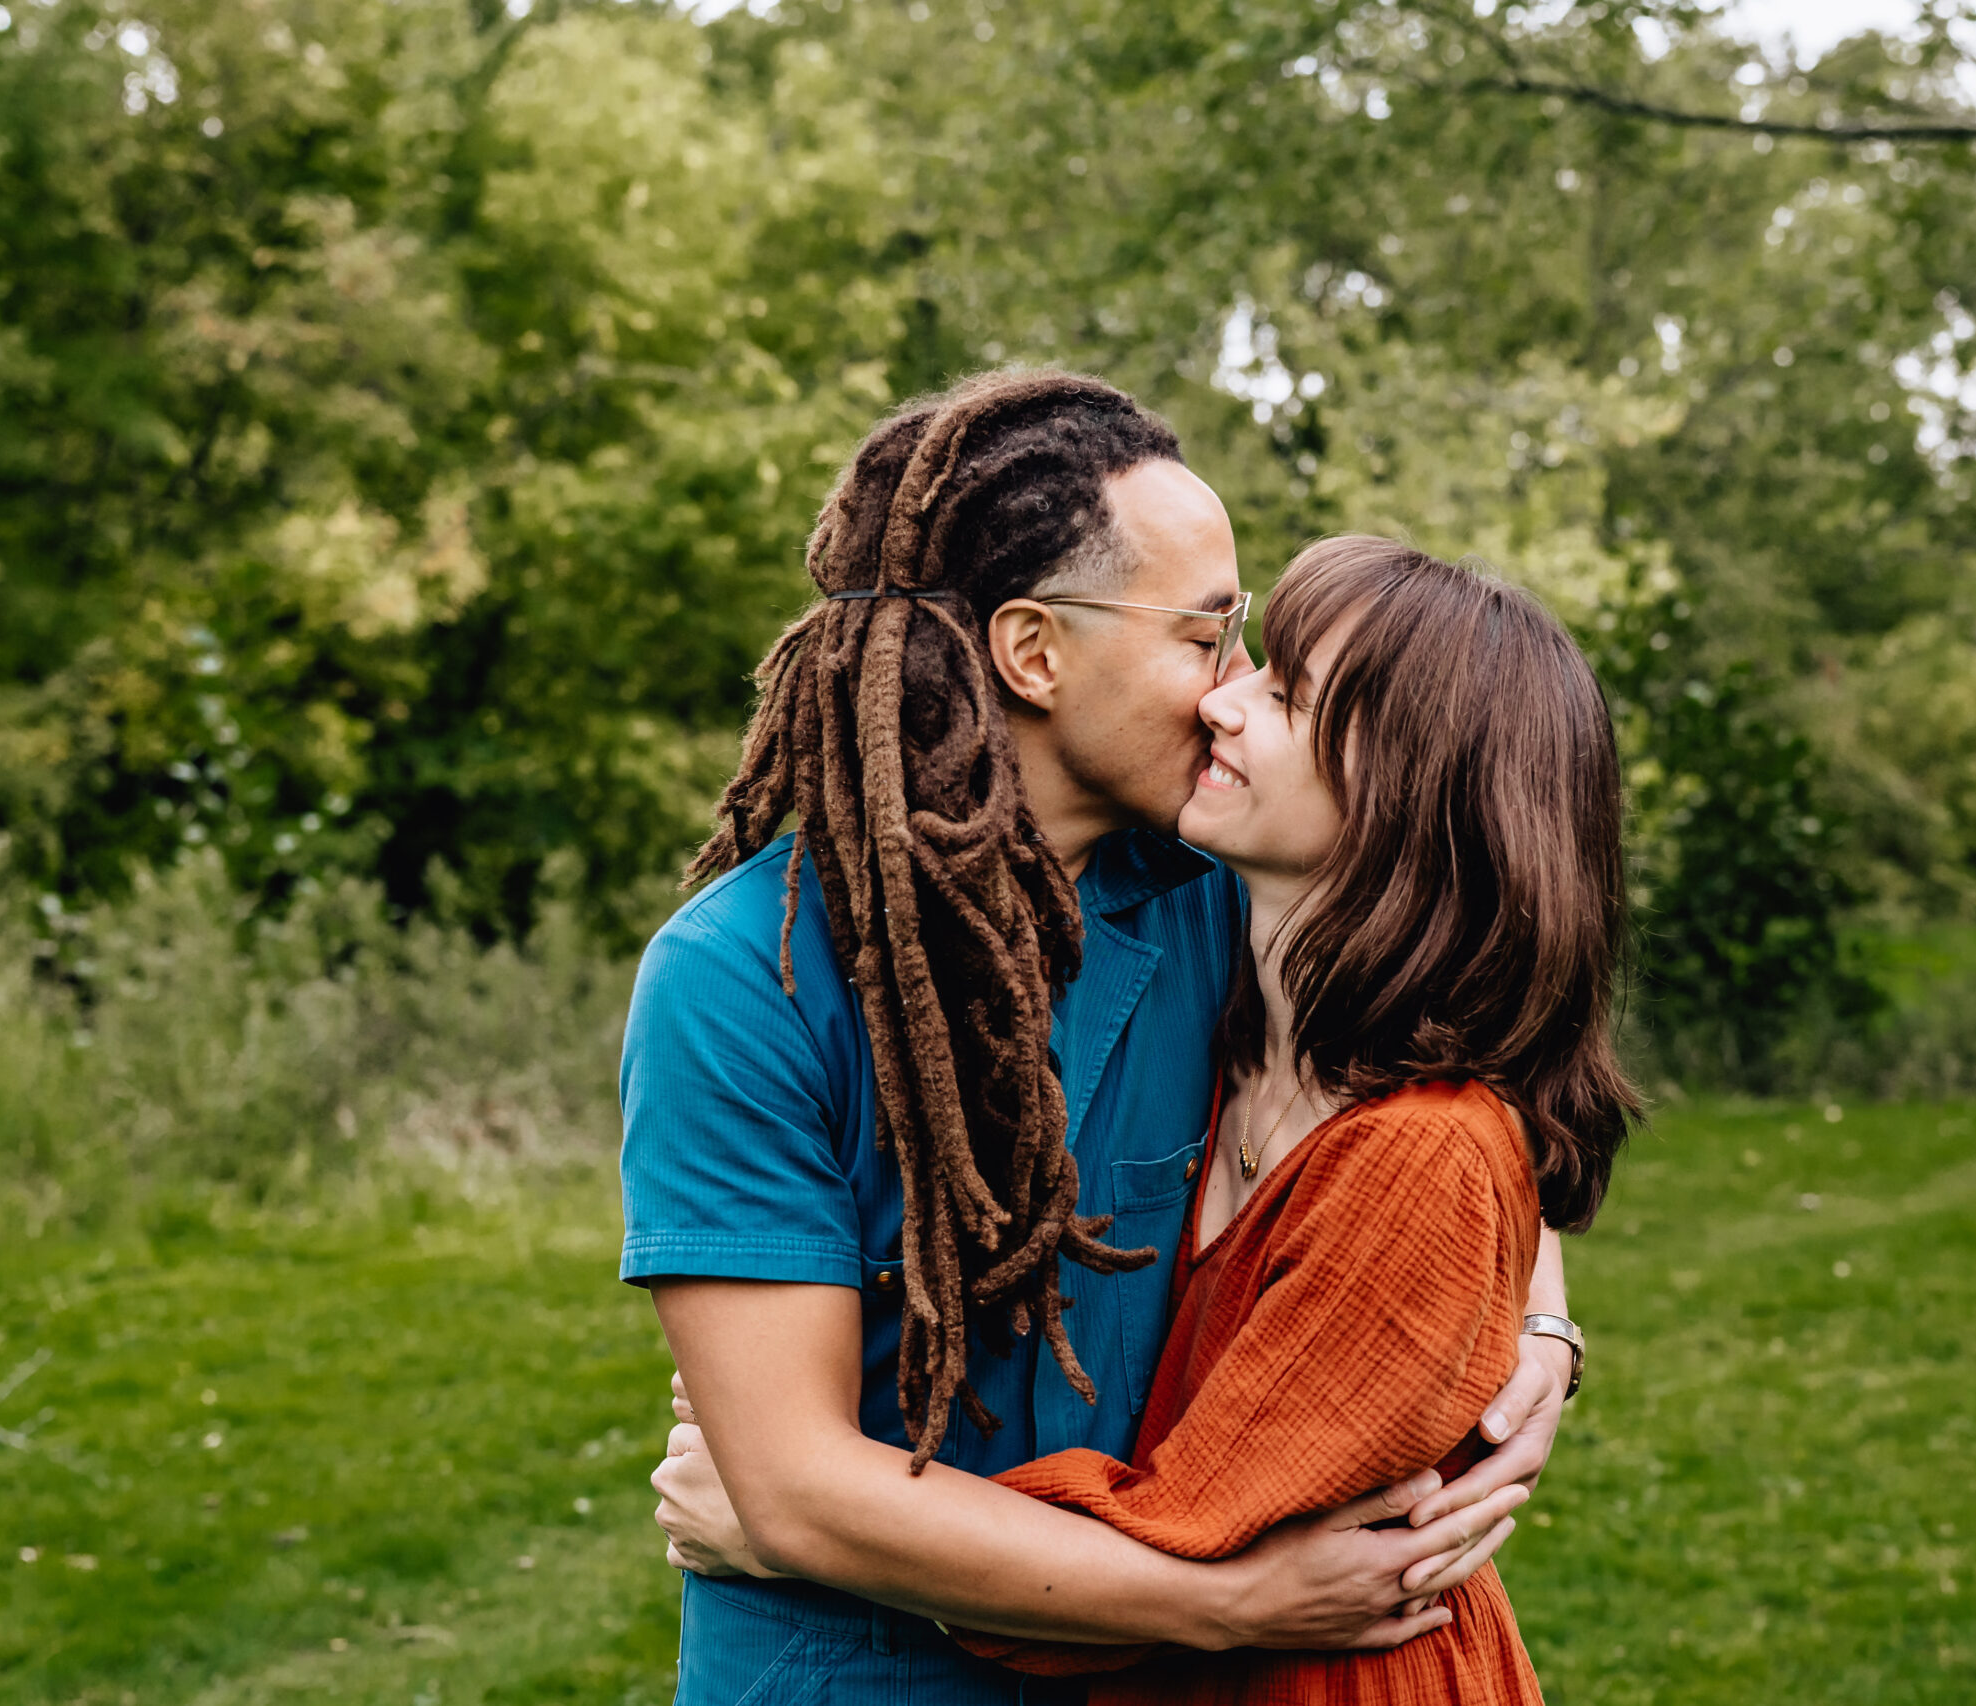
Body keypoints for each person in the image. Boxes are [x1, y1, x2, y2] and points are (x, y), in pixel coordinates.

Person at [622, 371, 1581, 1704]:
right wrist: (1227, 1602)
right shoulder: (742, 980)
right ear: (1033, 653)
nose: (1236, 687)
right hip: (859, 1672)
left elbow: (1441, 1080)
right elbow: (789, 1489)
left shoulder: (1218, 886)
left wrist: (1538, 1325)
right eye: (1207, 636)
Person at [950, 536, 1638, 1702]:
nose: (1219, 700)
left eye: (1284, 693)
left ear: (1409, 794)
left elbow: (1185, 1532)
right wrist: (1543, 1315)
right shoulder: (1229, 1018)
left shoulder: (1419, 1151)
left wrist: (807, 1519)